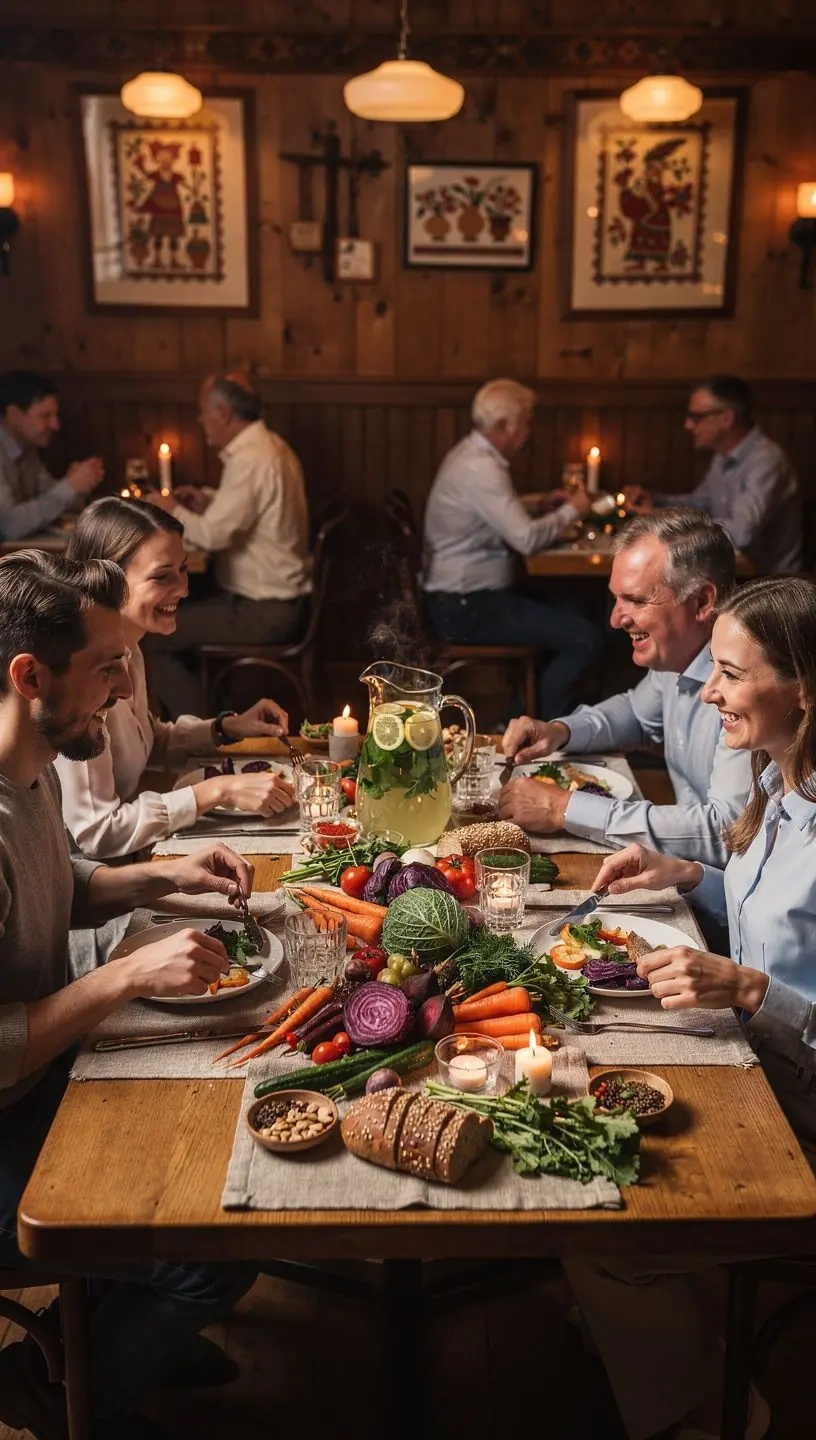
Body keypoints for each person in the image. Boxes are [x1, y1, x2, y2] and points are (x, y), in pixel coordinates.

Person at [0, 549, 257, 1439]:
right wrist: (124, 974)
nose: (122, 688)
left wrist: (159, 876)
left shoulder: (25, 766)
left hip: (40, 1081)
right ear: (30, 674)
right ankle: (66, 1395)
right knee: (217, 1237)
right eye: (106, 667)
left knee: (226, 1107)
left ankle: (119, 1334)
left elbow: (60, 878)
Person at [563, 573, 816, 1440]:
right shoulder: (784, 785)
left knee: (604, 1227)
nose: (708, 693)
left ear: (805, 689)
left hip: (799, 1115)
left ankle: (705, 1417)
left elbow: (771, 971)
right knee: (569, 1056)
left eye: (732, 675)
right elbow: (773, 912)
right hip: (754, 1065)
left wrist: (749, 990)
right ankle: (645, 1344)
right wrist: (688, 876)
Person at [499, 511, 752, 867]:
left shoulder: (748, 681)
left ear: (701, 602)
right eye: (616, 599)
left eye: (636, 600)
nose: (616, 619)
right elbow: (635, 713)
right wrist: (559, 730)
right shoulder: (678, 655)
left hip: (725, 902)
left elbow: (726, 831)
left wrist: (563, 808)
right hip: (682, 873)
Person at [421, 377, 603, 719]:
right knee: (586, 638)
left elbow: (494, 510)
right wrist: (573, 509)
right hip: (465, 607)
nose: (530, 430)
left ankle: (539, 712)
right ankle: (523, 723)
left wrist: (539, 502)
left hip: (465, 597)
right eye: (527, 421)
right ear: (505, 425)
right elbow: (527, 539)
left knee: (578, 609)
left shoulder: (470, 454)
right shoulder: (481, 467)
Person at [146, 371, 312, 716]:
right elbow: (251, 512)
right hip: (278, 601)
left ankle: (208, 732)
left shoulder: (252, 458)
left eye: (203, 412)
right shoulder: (272, 446)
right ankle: (215, 714)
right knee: (172, 611)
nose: (200, 420)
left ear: (222, 412)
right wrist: (209, 501)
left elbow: (211, 536)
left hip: (265, 611)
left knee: (154, 633)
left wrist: (170, 508)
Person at [624, 375, 802, 574]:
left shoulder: (767, 461)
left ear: (727, 418)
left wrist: (665, 519)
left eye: (696, 417)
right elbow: (699, 504)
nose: (688, 425)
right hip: (733, 574)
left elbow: (742, 535)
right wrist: (656, 502)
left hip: (771, 587)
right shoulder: (723, 456)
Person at [0, 370, 104, 540]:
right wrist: (69, 487)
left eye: (55, 415)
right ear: (14, 415)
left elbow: (52, 498)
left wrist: (78, 486)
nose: (56, 425)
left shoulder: (27, 449)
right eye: (45, 416)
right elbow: (10, 526)